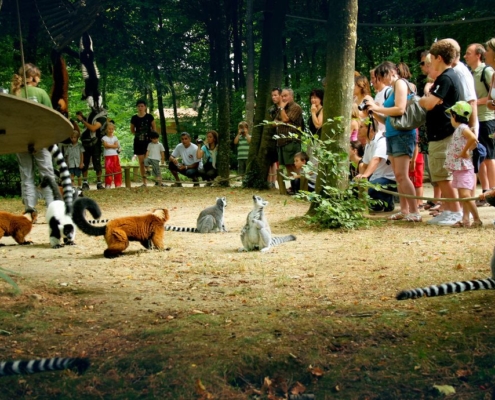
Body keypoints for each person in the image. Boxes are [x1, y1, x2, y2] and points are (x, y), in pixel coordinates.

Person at [366, 61, 421, 222]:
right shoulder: (392, 90)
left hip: (402, 135)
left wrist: (377, 108)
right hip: (392, 134)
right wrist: (373, 111)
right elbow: (387, 118)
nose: (383, 81)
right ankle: (404, 210)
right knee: (398, 176)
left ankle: (415, 211)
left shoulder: (400, 84)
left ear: (391, 72)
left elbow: (400, 109)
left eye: (383, 76)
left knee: (403, 175)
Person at [419, 39, 462, 226]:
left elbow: (428, 103)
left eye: (431, 59)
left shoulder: (446, 78)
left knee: (443, 175)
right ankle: (450, 209)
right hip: (441, 133)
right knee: (440, 174)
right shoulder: (448, 76)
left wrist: (422, 100)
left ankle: (455, 212)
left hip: (444, 133)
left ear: (438, 58)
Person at [11, 63, 57, 215]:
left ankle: (30, 209)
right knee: (47, 174)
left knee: (26, 175)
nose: (39, 80)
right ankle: (51, 207)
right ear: (32, 77)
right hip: (39, 138)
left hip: (19, 139)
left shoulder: (13, 94)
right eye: (38, 77)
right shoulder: (41, 93)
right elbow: (50, 117)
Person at [464, 43, 495, 204]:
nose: (465, 56)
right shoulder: (471, 73)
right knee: (479, 156)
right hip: (476, 120)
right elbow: (492, 99)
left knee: (489, 157)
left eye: (468, 53)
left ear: (478, 55)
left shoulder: (487, 71)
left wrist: (475, 102)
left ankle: (493, 191)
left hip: (488, 119)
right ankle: (485, 191)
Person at [444, 101, 481, 227]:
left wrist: (465, 152)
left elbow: (473, 139)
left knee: (465, 195)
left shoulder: (462, 128)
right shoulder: (460, 129)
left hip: (463, 167)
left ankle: (476, 219)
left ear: (454, 116)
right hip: (459, 168)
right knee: (463, 195)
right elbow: (474, 142)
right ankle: (466, 219)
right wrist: (468, 150)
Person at [355, 117, 397, 213]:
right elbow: (364, 165)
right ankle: (377, 204)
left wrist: (365, 176)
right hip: (376, 177)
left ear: (370, 128)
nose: (359, 129)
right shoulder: (369, 143)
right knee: (355, 188)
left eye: (361, 127)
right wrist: (361, 178)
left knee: (370, 188)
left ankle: (388, 201)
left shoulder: (381, 141)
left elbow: (376, 159)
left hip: (388, 178)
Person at [76, 105, 107, 190]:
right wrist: (83, 118)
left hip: (95, 142)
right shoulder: (91, 115)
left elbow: (93, 128)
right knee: (85, 163)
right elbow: (89, 124)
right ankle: (85, 183)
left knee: (97, 163)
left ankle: (99, 183)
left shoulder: (102, 117)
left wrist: (82, 120)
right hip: (86, 143)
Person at [275, 88, 303, 176]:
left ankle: (298, 186)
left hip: (292, 141)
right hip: (282, 141)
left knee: (295, 165)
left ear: (291, 96)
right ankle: (292, 186)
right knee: (288, 166)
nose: (283, 98)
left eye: (285, 96)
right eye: (282, 96)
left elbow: (286, 119)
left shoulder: (296, 107)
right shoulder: (282, 109)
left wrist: (282, 109)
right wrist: (283, 120)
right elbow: (274, 122)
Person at [130, 99, 156, 187]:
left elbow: (154, 128)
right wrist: (138, 134)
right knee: (141, 161)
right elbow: (132, 129)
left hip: (148, 141)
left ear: (145, 107)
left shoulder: (149, 117)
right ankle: (144, 182)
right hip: (138, 141)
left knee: (147, 159)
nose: (140, 108)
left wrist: (154, 138)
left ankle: (151, 173)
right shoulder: (134, 118)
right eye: (139, 106)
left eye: (142, 106)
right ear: (137, 107)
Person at [267, 88, 282, 188]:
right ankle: (271, 182)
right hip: (272, 137)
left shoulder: (285, 107)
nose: (273, 97)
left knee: (277, 162)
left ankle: (277, 181)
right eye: (272, 95)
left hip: (282, 137)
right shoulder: (271, 109)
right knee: (271, 160)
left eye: (275, 95)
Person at [101, 121, 122, 188]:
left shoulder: (115, 137)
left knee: (117, 169)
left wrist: (109, 145)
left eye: (112, 129)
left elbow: (116, 146)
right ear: (106, 129)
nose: (110, 130)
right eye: (109, 129)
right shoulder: (104, 138)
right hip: (108, 155)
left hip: (115, 155)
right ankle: (108, 184)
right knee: (108, 170)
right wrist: (113, 145)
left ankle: (118, 184)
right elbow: (105, 146)